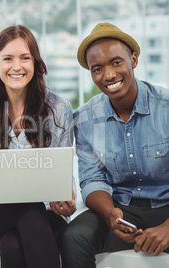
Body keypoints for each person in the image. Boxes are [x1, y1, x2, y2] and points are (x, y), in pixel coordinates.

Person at [0, 25, 76, 268]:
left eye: (25, 58)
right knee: (28, 204)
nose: (17, 67)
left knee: (13, 244)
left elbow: (65, 180)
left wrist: (67, 201)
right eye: (8, 59)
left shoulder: (60, 109)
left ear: (35, 62)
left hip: (45, 217)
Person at [60, 22, 169, 268]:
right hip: (120, 208)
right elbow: (91, 179)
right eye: (97, 68)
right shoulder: (85, 118)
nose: (108, 75)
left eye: (116, 62)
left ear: (134, 59)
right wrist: (110, 215)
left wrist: (167, 228)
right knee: (73, 237)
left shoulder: (166, 107)